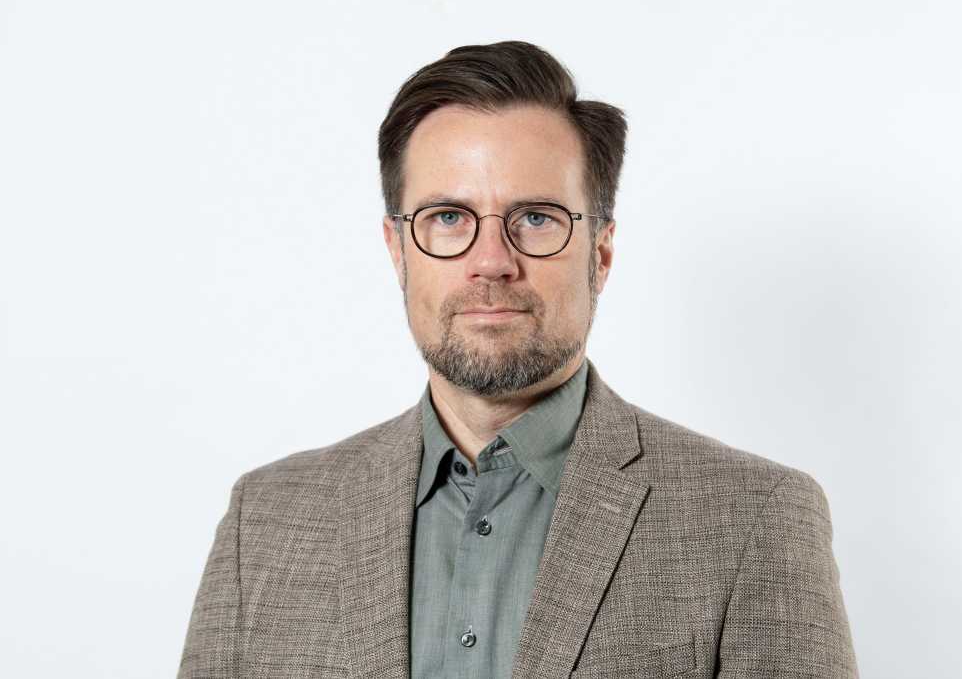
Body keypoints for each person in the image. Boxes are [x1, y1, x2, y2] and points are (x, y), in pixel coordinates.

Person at [177, 41, 858, 679]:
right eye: (448, 217)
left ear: (601, 252)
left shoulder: (756, 518)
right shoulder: (262, 523)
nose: (491, 262)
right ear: (397, 249)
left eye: (535, 218)